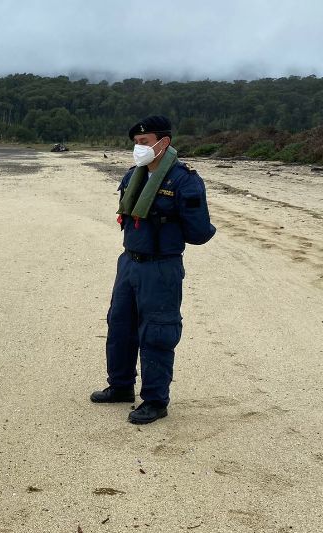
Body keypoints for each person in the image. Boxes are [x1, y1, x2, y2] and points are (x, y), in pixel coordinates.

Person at [90, 116, 215, 424]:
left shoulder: (185, 180)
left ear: (164, 143)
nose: (138, 148)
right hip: (129, 262)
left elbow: (199, 234)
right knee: (119, 325)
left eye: (144, 143)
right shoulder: (133, 175)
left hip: (161, 267)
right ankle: (120, 386)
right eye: (136, 143)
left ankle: (156, 401)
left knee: (158, 331)